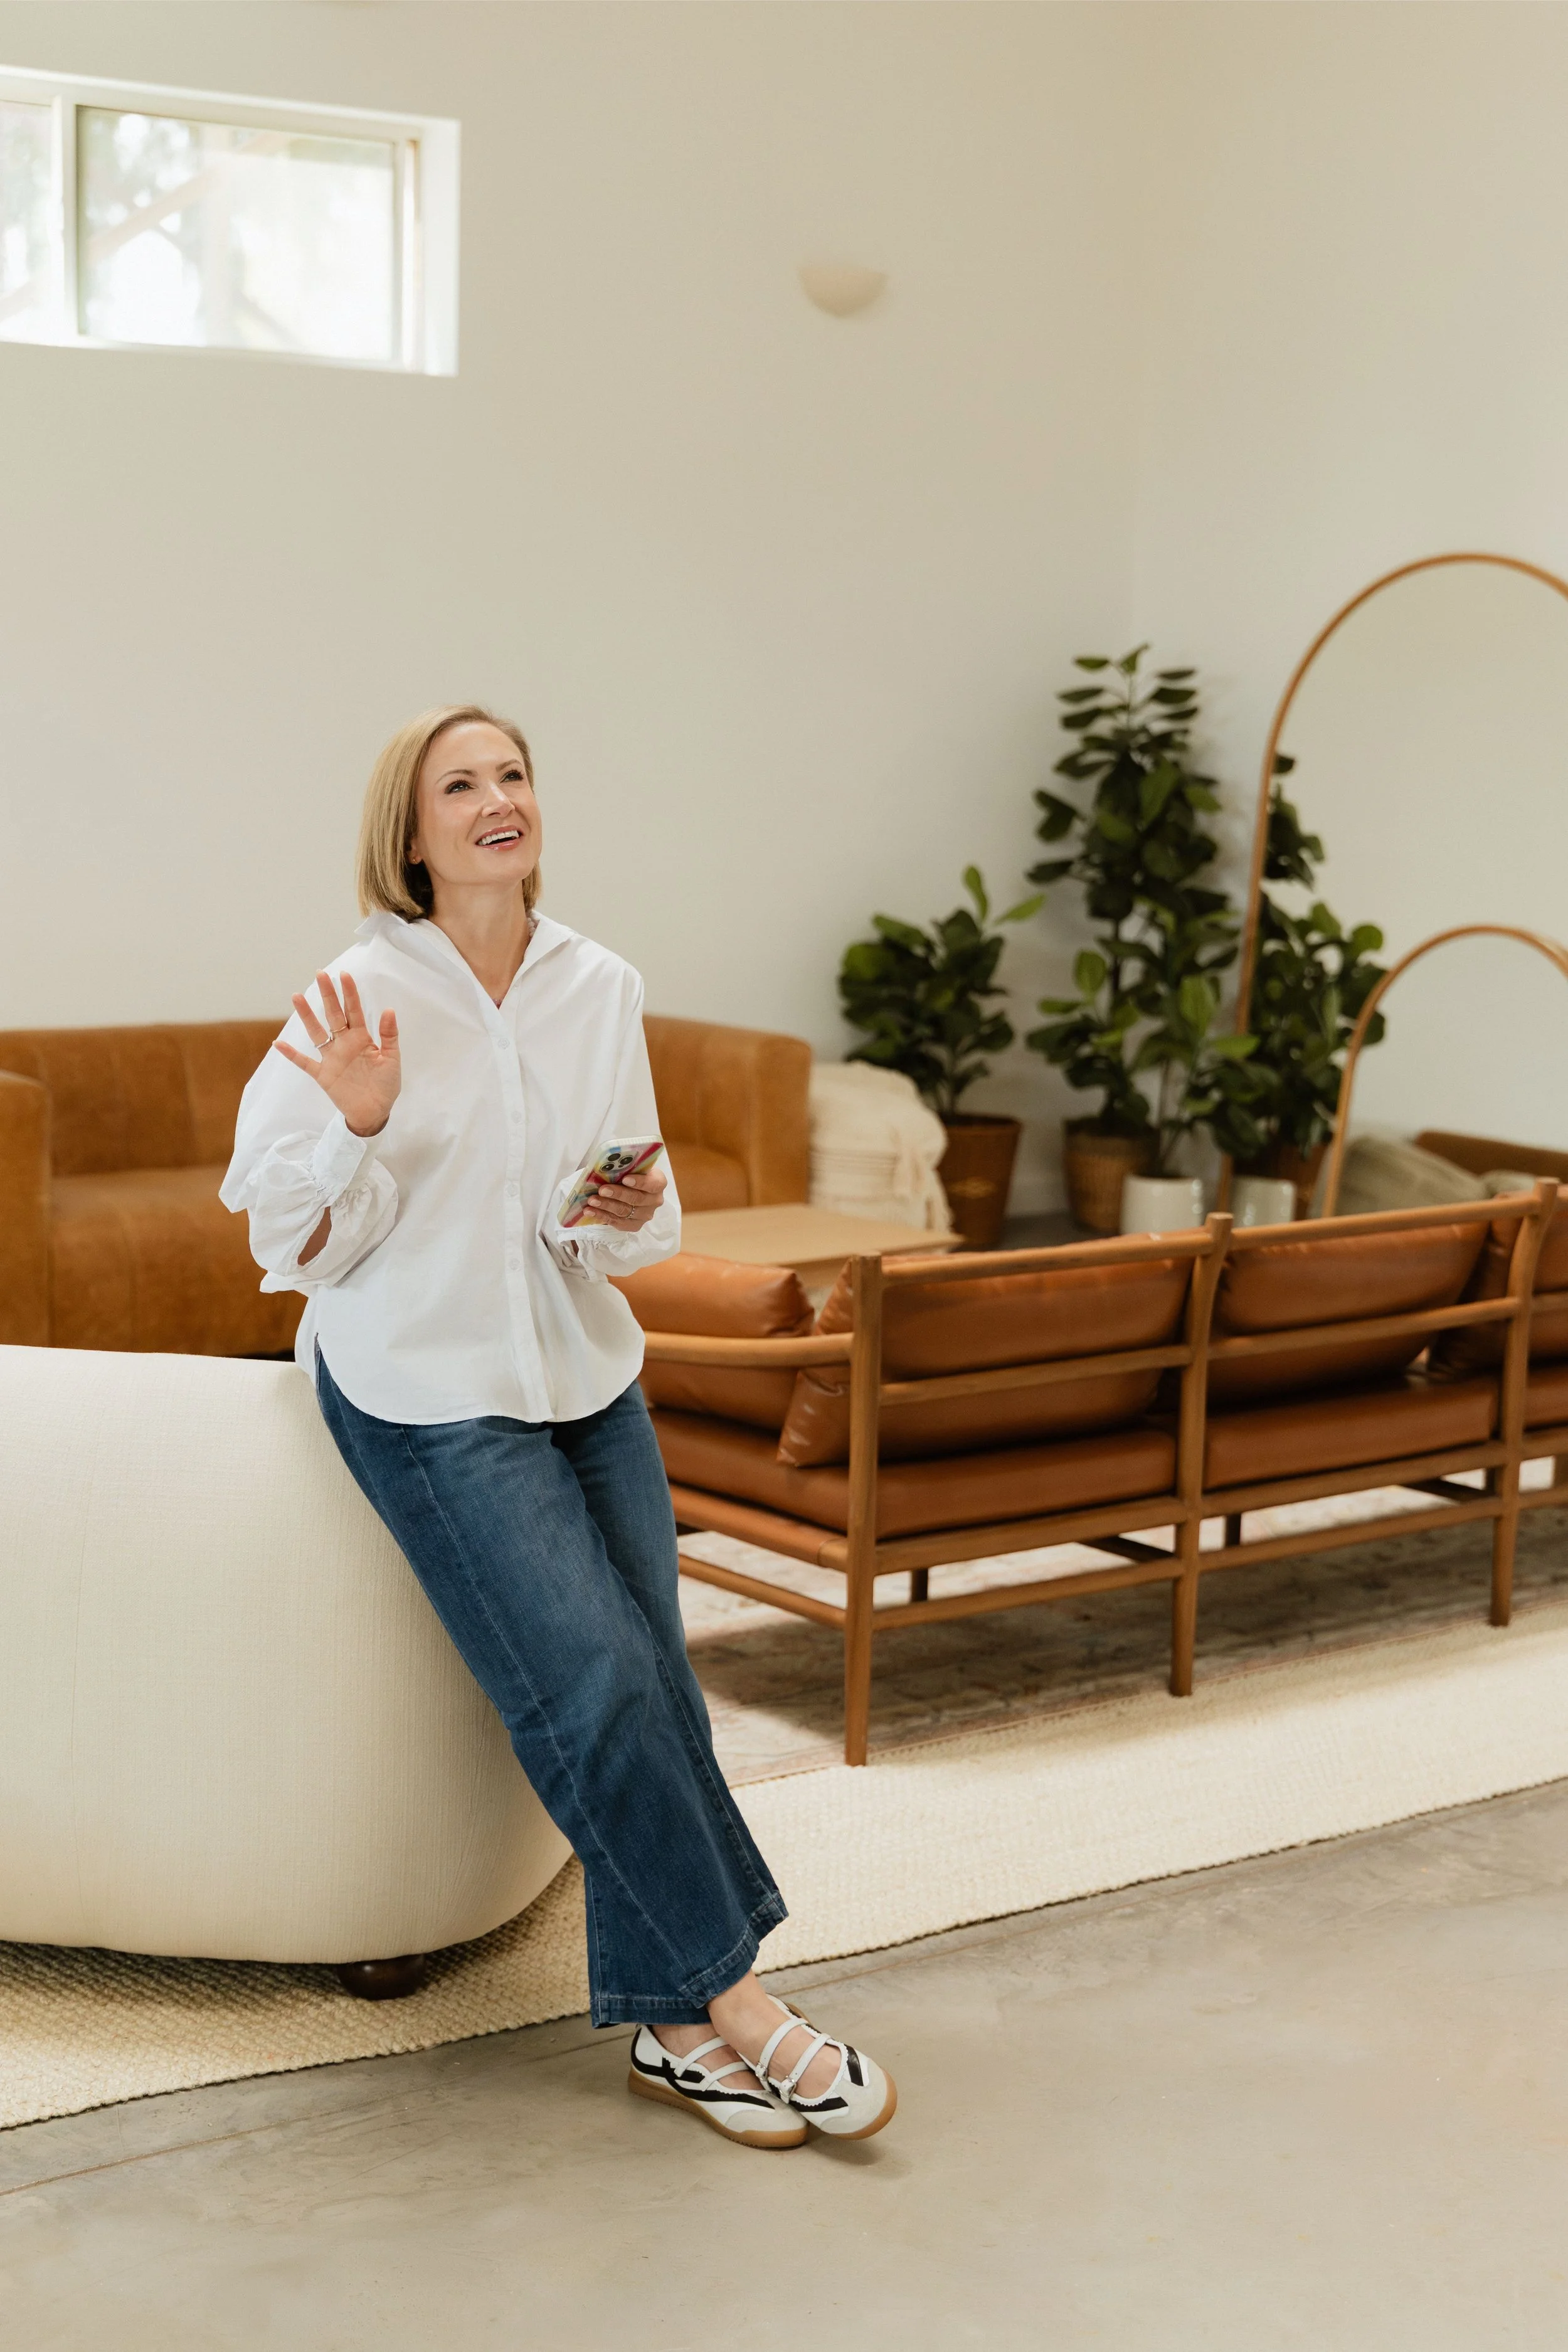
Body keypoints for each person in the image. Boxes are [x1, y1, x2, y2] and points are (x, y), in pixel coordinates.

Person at [221, 704, 896, 2149]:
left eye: (511, 774)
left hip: (580, 1367)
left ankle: (666, 2020)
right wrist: (355, 1123)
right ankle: (743, 2008)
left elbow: (628, 1220)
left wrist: (616, 1207)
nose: (493, 799)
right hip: (418, 1379)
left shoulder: (599, 985)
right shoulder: (354, 996)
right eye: (457, 784)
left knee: (652, 1663)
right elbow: (290, 1243)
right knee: (588, 1680)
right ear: (411, 833)